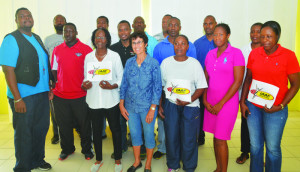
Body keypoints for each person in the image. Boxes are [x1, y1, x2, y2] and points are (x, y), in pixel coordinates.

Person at [240, 21, 300, 172]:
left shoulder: (288, 56)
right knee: (255, 146)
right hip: (254, 106)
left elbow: (295, 85)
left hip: (276, 109)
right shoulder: (254, 53)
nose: (265, 40)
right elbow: (248, 79)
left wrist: (280, 106)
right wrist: (243, 101)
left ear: (277, 37)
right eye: (262, 36)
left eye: (269, 36)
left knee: (272, 148)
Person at [0, 7, 53, 171]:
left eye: (28, 15)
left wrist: (49, 86)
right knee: (24, 133)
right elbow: (7, 70)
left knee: (41, 128)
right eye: (22, 16)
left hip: (42, 94)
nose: (26, 18)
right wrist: (17, 98)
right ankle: (22, 166)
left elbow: (42, 65)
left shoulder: (36, 37)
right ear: (16, 21)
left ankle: (38, 160)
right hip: (24, 96)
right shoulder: (11, 39)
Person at [160, 35, 207, 172]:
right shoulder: (166, 63)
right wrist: (160, 105)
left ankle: (189, 167)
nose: (179, 46)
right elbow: (161, 86)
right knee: (172, 136)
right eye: (176, 43)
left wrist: (189, 100)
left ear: (188, 46)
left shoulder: (194, 64)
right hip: (171, 105)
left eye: (183, 44)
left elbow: (202, 87)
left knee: (189, 139)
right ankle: (173, 165)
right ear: (173, 46)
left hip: (190, 106)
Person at [152, 16, 197, 160]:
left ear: (180, 27)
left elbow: (193, 67)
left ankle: (183, 152)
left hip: (186, 93)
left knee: (184, 125)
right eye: (170, 25)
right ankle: (163, 147)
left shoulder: (190, 45)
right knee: (165, 122)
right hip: (167, 92)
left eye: (175, 25)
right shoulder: (159, 47)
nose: (172, 27)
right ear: (166, 27)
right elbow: (158, 73)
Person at [203, 23, 245, 172]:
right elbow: (205, 79)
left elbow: (238, 81)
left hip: (227, 103)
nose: (217, 37)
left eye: (221, 34)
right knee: (215, 137)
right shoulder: (210, 54)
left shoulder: (236, 53)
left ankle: (223, 170)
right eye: (215, 34)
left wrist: (221, 103)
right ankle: (218, 168)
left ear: (228, 36)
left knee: (221, 138)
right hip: (211, 102)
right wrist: (205, 100)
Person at [82, 28, 124, 172]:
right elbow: (86, 77)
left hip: (111, 99)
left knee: (115, 130)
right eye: (97, 37)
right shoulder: (88, 57)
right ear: (94, 40)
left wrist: (112, 86)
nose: (100, 40)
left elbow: (121, 78)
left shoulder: (114, 56)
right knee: (97, 131)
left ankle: (118, 159)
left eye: (103, 37)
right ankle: (98, 159)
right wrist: (84, 84)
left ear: (107, 39)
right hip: (94, 100)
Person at [120, 31, 162, 172]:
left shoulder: (153, 63)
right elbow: (124, 84)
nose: (136, 45)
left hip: (147, 108)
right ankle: (137, 161)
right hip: (131, 107)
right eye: (134, 42)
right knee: (135, 135)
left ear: (145, 44)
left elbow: (157, 88)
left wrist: (152, 109)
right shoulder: (129, 63)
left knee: (149, 135)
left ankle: (148, 164)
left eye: (139, 42)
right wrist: (121, 103)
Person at [51, 23, 94, 161]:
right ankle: (67, 149)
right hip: (60, 96)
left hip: (80, 95)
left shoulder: (86, 49)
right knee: (63, 125)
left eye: (70, 31)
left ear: (76, 32)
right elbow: (54, 70)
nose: (68, 34)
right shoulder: (57, 49)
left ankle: (87, 150)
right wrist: (57, 84)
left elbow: (91, 71)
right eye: (65, 31)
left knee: (84, 125)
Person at [236, 22, 263, 164]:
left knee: (263, 126)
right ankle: (245, 152)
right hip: (246, 93)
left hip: (263, 95)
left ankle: (258, 155)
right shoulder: (243, 51)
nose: (255, 34)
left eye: (258, 31)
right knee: (246, 124)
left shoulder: (267, 50)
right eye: (252, 31)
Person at [110, 20, 135, 158]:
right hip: (118, 91)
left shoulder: (136, 45)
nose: (123, 32)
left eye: (126, 29)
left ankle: (139, 146)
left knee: (135, 120)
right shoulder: (113, 49)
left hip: (135, 91)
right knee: (119, 121)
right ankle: (121, 147)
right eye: (120, 30)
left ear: (130, 30)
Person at [193, 15, 217, 146]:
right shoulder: (197, 43)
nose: (208, 26)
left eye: (210, 23)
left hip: (217, 84)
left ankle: (218, 136)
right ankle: (200, 136)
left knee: (216, 110)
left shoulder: (222, 41)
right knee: (200, 110)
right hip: (201, 83)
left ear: (215, 24)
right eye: (205, 24)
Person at [44, 14, 66, 144]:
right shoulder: (48, 39)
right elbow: (46, 60)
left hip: (67, 77)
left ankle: (74, 130)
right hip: (53, 77)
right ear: (53, 23)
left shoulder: (69, 36)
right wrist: (49, 78)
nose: (59, 22)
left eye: (61, 20)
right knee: (54, 107)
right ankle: (56, 133)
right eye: (56, 20)